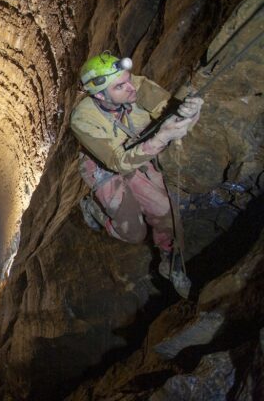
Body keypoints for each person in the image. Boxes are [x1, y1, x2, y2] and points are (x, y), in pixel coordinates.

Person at [70, 52, 203, 298]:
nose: (130, 87)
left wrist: (190, 113)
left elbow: (174, 115)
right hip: (104, 166)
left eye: (127, 79)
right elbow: (117, 162)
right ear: (100, 95)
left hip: (139, 154)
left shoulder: (138, 87)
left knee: (166, 211)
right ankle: (94, 208)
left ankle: (170, 260)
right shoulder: (82, 119)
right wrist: (162, 137)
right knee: (134, 233)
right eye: (120, 86)